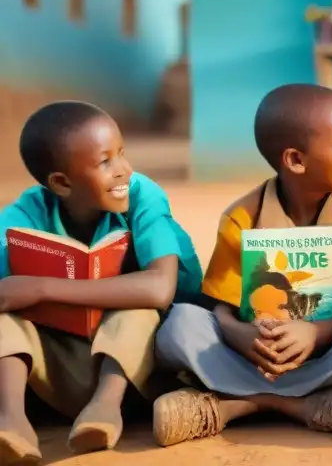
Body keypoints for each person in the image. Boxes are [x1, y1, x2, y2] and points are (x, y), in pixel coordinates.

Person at [152, 84, 332, 446]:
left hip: (330, 352)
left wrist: (315, 333)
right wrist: (240, 334)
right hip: (258, 358)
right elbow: (221, 306)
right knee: (178, 326)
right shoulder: (241, 216)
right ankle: (306, 405)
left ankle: (238, 405)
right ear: (296, 160)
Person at [0, 102, 203, 462]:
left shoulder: (143, 196)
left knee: (139, 309)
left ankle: (105, 409)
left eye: (122, 153)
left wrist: (41, 287)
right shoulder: (23, 215)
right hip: (56, 359)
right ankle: (11, 418)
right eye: (105, 162)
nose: (124, 170)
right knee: (4, 320)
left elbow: (160, 287)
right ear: (61, 183)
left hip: (133, 364)